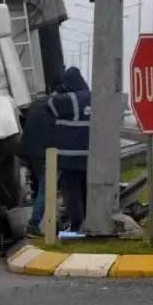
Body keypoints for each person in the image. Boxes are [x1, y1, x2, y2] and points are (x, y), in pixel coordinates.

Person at [47, 66, 92, 231]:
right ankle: (89, 222)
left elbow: (50, 105)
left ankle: (77, 225)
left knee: (72, 192)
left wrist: (57, 90)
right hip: (90, 155)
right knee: (87, 189)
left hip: (70, 155)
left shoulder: (69, 99)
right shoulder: (93, 97)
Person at [18, 82, 59, 237]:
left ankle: (44, 222)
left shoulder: (35, 105)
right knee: (47, 188)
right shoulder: (53, 108)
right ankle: (34, 224)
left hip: (30, 152)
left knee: (43, 187)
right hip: (44, 154)